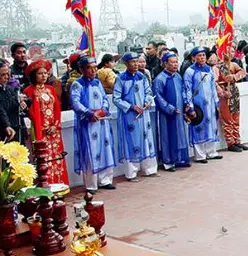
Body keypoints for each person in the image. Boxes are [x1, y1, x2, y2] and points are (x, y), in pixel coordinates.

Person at [70, 56, 116, 194]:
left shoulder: (97, 82)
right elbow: (75, 103)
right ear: (82, 69)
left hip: (101, 122)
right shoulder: (77, 84)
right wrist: (90, 114)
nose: (93, 70)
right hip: (88, 123)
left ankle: (105, 180)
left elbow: (105, 100)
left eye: (95, 67)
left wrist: (102, 111)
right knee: (90, 152)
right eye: (90, 67)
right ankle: (91, 185)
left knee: (105, 149)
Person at [113, 52, 157, 181]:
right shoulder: (120, 79)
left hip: (144, 115)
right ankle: (131, 173)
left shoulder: (142, 77)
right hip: (129, 117)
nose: (136, 64)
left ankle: (149, 169)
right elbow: (116, 98)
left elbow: (149, 92)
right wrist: (131, 107)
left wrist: (147, 102)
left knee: (146, 140)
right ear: (126, 64)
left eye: (137, 61)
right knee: (131, 142)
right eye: (133, 62)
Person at [24, 59, 69, 185]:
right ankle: (46, 186)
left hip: (53, 131)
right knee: (44, 158)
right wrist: (42, 127)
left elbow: (57, 108)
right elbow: (30, 112)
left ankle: (59, 185)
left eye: (45, 73)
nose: (44, 76)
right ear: (34, 76)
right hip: (41, 130)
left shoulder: (50, 89)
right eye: (40, 73)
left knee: (57, 157)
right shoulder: (28, 91)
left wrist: (55, 125)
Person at [184, 47, 223, 163]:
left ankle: (211, 152)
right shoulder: (190, 71)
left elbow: (212, 87)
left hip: (210, 104)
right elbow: (187, 89)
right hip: (198, 105)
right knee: (198, 127)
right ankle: (200, 155)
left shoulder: (209, 70)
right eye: (199, 56)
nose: (202, 58)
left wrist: (216, 102)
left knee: (211, 127)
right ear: (193, 57)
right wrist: (190, 105)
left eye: (203, 56)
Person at [154, 51, 191, 171]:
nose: (175, 65)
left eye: (176, 62)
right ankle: (168, 162)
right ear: (165, 64)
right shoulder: (160, 79)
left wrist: (186, 104)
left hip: (179, 112)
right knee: (167, 136)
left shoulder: (178, 76)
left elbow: (183, 91)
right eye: (173, 62)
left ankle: (180, 159)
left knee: (180, 135)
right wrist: (170, 108)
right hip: (167, 114)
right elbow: (158, 97)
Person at [215, 49, 248, 152]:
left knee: (236, 117)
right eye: (228, 51)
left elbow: (243, 72)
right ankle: (230, 143)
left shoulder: (233, 64)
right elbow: (214, 82)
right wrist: (223, 92)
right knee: (227, 119)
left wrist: (234, 76)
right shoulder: (216, 67)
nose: (231, 54)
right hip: (224, 95)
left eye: (233, 51)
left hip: (234, 92)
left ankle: (237, 140)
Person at [0, 61, 26, 143]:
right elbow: (1, 108)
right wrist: (17, 100)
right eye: (3, 75)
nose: (7, 77)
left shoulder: (9, 88)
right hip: (5, 130)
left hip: (18, 128)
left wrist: (23, 103)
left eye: (8, 74)